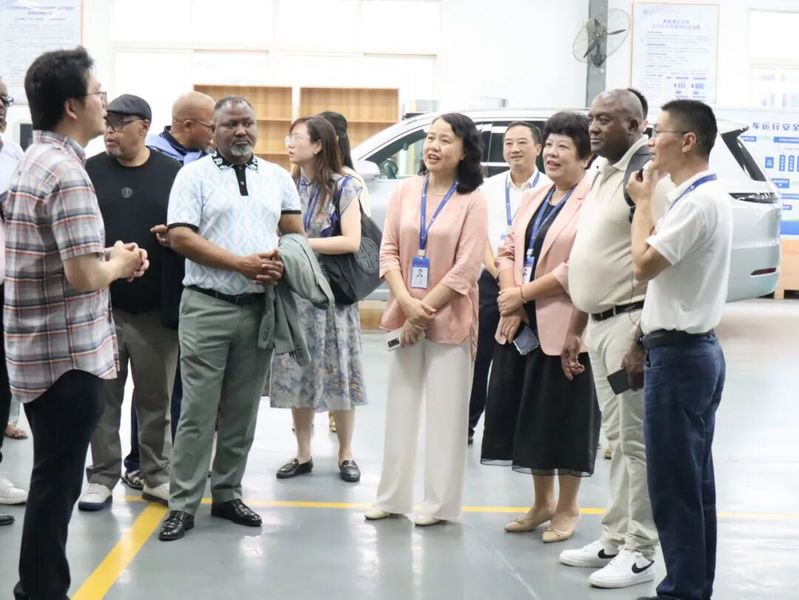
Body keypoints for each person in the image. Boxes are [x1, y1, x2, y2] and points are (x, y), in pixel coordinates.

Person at [3, 47, 147, 599]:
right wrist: (122, 264)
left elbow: (59, 256)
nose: (104, 104)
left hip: (37, 351)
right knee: (56, 487)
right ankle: (41, 591)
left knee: (51, 480)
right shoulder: (69, 173)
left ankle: (37, 587)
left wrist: (110, 255)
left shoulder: (35, 160)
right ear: (71, 106)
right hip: (68, 359)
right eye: (98, 94)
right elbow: (85, 276)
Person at [158, 95, 303, 541]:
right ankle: (183, 503)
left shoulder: (278, 178)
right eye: (230, 124)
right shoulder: (192, 175)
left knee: (241, 411)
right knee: (197, 412)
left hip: (259, 309)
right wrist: (240, 264)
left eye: (248, 123)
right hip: (206, 306)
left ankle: (227, 494)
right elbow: (181, 237)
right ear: (213, 131)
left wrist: (282, 263)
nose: (241, 131)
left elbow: (295, 237)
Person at [559, 89, 667, 589]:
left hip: (628, 324)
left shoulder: (643, 177)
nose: (594, 127)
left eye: (606, 119)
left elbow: (660, 262)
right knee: (617, 439)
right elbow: (593, 255)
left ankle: (640, 549)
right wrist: (576, 326)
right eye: (592, 118)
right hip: (599, 324)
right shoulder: (602, 171)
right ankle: (615, 536)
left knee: (634, 442)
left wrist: (641, 339)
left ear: (636, 125)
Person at [627, 100, 731, 600]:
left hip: (681, 359)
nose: (650, 142)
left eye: (658, 132)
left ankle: (683, 591)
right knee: (691, 483)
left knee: (674, 486)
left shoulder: (697, 204)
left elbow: (643, 266)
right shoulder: (698, 196)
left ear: (687, 141)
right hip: (689, 353)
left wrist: (643, 202)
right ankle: (691, 586)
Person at [481, 112, 600, 543]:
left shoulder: (594, 200)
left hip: (565, 324)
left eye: (562, 146)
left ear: (585, 156)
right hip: (521, 324)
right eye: (549, 144)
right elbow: (508, 248)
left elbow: (580, 264)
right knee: (530, 415)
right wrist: (511, 296)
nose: (551, 153)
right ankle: (541, 503)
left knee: (565, 418)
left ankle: (568, 508)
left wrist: (522, 294)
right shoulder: (536, 196)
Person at [365, 113, 487, 526]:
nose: (434, 146)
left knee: (446, 415)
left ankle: (439, 505)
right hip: (404, 313)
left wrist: (422, 312)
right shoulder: (405, 190)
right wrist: (407, 303)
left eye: (445, 140)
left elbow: (467, 268)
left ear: (465, 150)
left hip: (450, 318)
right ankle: (392, 498)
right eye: (430, 138)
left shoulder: (473, 200)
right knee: (399, 407)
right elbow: (388, 252)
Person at [78, 94, 182, 511]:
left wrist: (172, 238)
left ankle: (156, 475)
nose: (110, 132)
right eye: (107, 123)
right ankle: (102, 476)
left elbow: (190, 231)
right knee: (103, 401)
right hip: (101, 308)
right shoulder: (90, 171)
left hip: (154, 309)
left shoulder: (172, 173)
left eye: (120, 124)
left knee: (156, 401)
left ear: (144, 127)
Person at [271, 116, 367, 483]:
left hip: (332, 297)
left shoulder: (345, 186)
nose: (289, 143)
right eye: (289, 136)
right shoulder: (286, 184)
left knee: (340, 370)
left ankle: (346, 453)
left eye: (297, 137)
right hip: (297, 293)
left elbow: (351, 241)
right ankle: (303, 453)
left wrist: (300, 244)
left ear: (318, 145)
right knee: (299, 371)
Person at [468, 121, 549, 445]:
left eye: (522, 143)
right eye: (508, 143)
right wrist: (501, 277)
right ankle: (467, 424)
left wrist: (517, 286)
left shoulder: (549, 188)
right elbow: (479, 238)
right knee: (480, 356)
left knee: (528, 354)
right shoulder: (486, 189)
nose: (514, 149)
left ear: (538, 148)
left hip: (534, 283)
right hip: (492, 283)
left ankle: (522, 429)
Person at [0, 78, 27, 524]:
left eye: (3, 100)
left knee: (1, 384)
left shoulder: (13, 153)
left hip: (6, 285)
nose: (1, 107)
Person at [147, 90, 215, 165]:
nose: (215, 133)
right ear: (188, 126)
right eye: (212, 127)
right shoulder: (149, 157)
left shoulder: (212, 157)